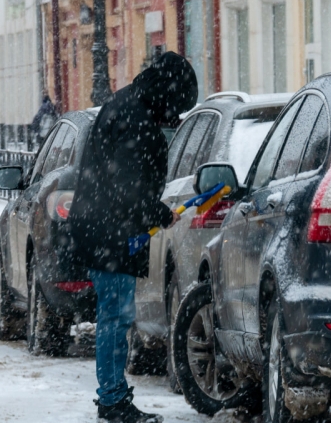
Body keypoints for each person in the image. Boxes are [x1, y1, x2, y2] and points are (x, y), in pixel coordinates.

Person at [68, 52, 198, 423]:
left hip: (103, 226)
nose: (174, 116)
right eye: (176, 106)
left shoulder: (127, 104)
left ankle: (113, 395)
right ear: (166, 93)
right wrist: (159, 213)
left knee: (115, 315)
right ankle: (112, 400)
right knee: (116, 317)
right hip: (109, 231)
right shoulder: (134, 119)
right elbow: (129, 188)